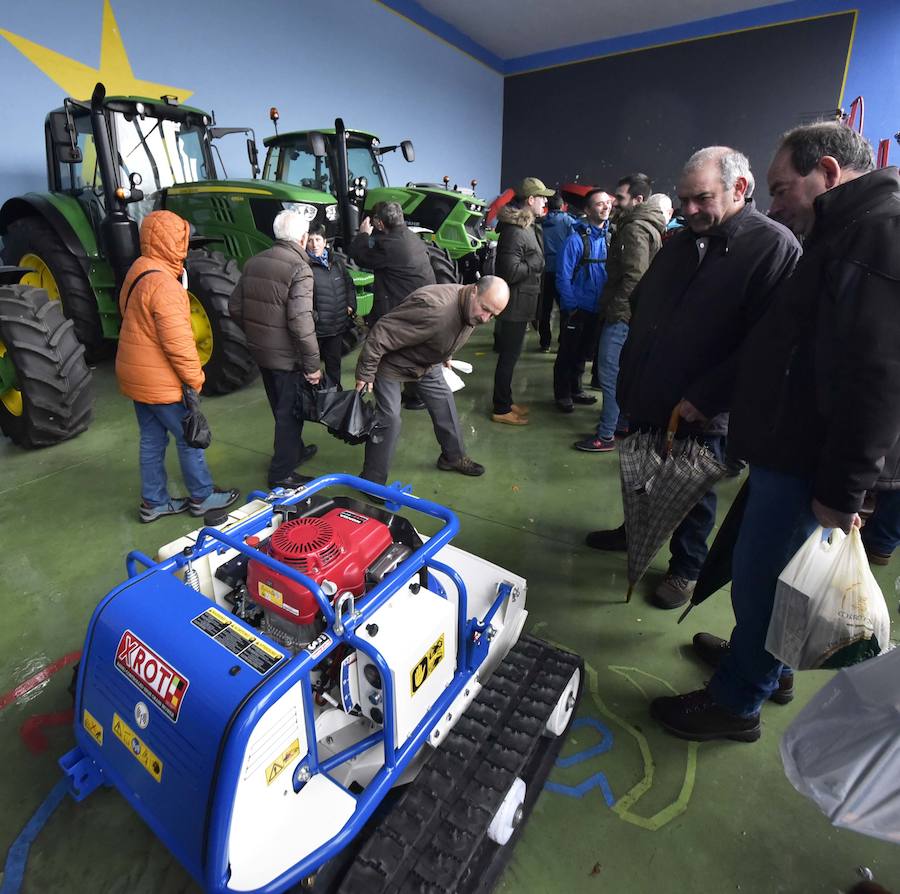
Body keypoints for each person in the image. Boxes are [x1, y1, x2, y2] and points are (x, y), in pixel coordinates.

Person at [651, 123, 900, 742]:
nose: (776, 201)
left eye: (782, 187)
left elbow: (879, 378)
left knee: (767, 584)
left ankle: (736, 705)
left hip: (809, 464)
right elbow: (788, 340)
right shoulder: (842, 230)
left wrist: (842, 491)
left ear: (830, 172)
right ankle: (763, 665)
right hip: (790, 448)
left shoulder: (876, 235)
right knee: (771, 581)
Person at [585, 147, 800, 610]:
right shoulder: (681, 242)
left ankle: (686, 568)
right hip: (650, 392)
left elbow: (769, 345)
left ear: (740, 188)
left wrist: (708, 396)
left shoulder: (774, 248)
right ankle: (635, 533)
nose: (690, 210)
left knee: (692, 491)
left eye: (701, 198)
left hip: (703, 407)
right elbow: (647, 306)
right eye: (684, 200)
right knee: (641, 472)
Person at [116, 210, 239, 522]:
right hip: (160, 380)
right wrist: (194, 378)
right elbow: (179, 343)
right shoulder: (166, 286)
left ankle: (154, 502)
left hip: (136, 375)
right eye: (182, 238)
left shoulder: (138, 270)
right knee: (190, 437)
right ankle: (203, 496)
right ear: (172, 242)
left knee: (151, 440)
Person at [355, 276, 509, 484]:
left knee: (444, 402)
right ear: (473, 291)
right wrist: (366, 372)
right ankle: (371, 481)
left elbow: (448, 331)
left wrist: (447, 353)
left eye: (493, 315)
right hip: (391, 363)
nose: (485, 318)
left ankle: (452, 458)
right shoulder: (434, 307)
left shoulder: (472, 309)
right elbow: (381, 332)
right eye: (485, 309)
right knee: (389, 419)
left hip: (427, 362)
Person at [229, 209, 321, 489]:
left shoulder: (254, 262)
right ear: (303, 237)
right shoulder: (299, 268)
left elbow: (234, 307)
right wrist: (313, 365)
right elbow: (301, 321)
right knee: (289, 415)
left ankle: (294, 451)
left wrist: (260, 334)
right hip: (286, 358)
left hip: (261, 353)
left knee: (280, 407)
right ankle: (282, 474)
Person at [574, 187, 670, 452]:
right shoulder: (648, 227)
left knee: (609, 374)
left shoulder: (634, 229)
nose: (614, 202)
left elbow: (634, 277)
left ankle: (605, 436)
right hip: (633, 314)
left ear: (638, 200)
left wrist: (618, 311)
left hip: (622, 315)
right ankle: (619, 424)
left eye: (620, 197)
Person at [348, 200, 436, 411]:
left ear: (378, 223)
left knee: (386, 353)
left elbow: (359, 256)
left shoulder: (390, 246)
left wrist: (362, 234)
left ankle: (388, 405)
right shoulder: (412, 239)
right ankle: (414, 396)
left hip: (401, 309)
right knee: (412, 352)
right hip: (420, 306)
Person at [491, 177, 553, 425]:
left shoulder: (526, 227)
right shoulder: (515, 231)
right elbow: (509, 271)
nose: (545, 201)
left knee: (511, 357)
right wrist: (536, 264)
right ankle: (501, 408)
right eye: (542, 197)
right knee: (508, 358)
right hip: (514, 306)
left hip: (521, 303)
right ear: (530, 200)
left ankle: (505, 401)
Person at [553, 189, 611, 412]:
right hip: (577, 308)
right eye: (599, 204)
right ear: (587, 210)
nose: (605, 207)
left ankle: (575, 389)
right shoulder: (575, 241)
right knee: (568, 352)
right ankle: (562, 393)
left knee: (583, 353)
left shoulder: (609, 238)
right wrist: (571, 307)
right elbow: (563, 276)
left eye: (607, 202)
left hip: (597, 308)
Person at [306, 224, 356, 387]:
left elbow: (349, 284)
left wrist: (350, 304)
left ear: (325, 242)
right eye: (311, 240)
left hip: (336, 326)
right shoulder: (305, 266)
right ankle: (313, 400)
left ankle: (335, 397)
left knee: (334, 366)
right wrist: (314, 316)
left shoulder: (337, 263)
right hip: (316, 329)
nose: (314, 245)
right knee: (310, 369)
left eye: (318, 240)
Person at [537, 193, 575, 351]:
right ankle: (563, 340)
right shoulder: (568, 221)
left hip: (543, 270)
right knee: (565, 308)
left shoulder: (539, 221)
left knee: (545, 309)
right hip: (562, 271)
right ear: (562, 206)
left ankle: (545, 342)